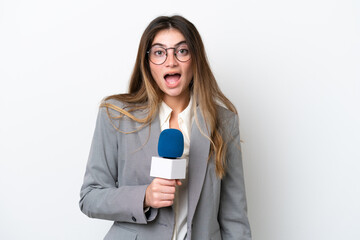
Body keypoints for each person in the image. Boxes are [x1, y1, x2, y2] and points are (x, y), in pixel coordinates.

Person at [79, 15, 251, 240]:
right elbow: (90, 197)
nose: (171, 62)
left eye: (182, 51)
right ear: (147, 62)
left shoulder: (224, 122)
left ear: (195, 59)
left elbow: (234, 217)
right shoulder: (116, 115)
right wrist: (145, 197)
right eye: (160, 52)